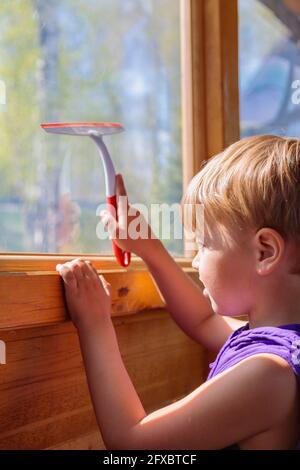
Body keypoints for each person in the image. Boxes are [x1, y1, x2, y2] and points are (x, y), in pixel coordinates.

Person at [56, 135, 300, 450]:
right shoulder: (277, 342)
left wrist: (94, 323)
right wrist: (150, 249)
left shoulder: (269, 375)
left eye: (204, 243)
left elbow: (132, 443)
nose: (196, 260)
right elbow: (202, 320)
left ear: (264, 252)